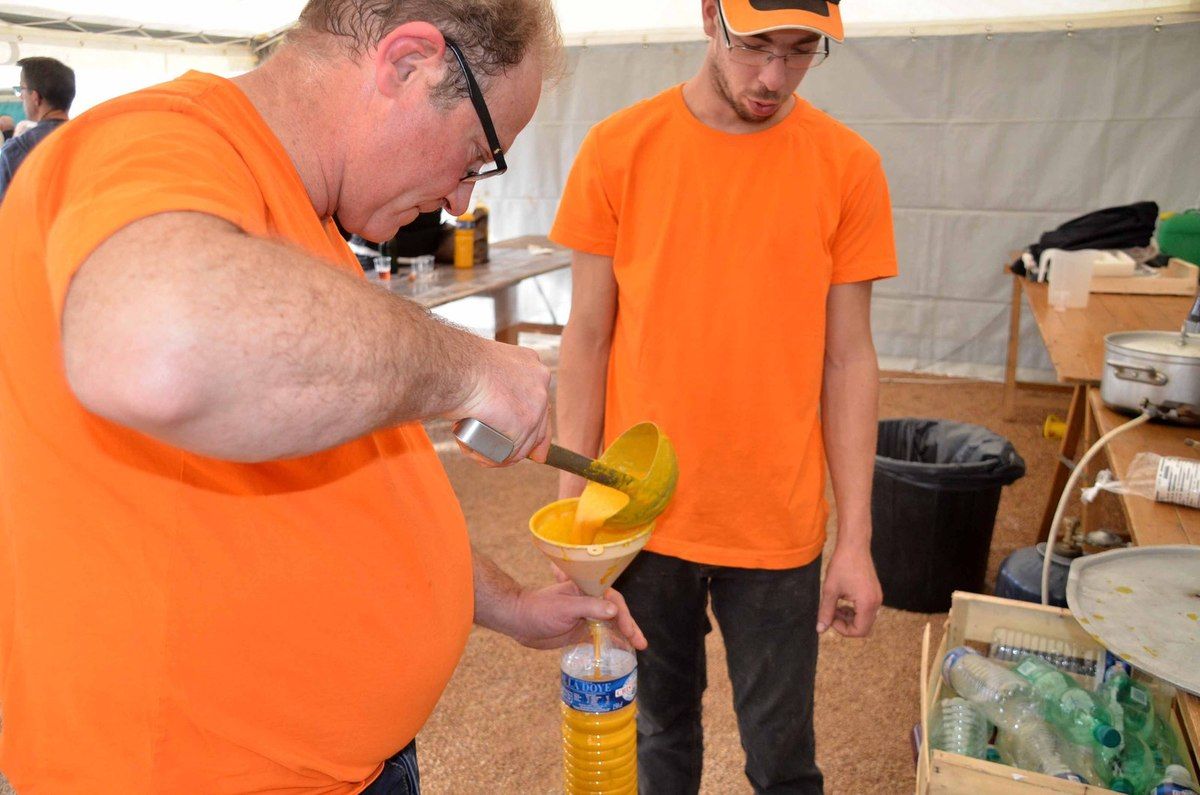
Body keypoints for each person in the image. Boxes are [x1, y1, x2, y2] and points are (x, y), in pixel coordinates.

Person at [0, 1, 645, 793]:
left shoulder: (303, 226)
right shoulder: (152, 139)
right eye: (478, 155)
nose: (459, 203)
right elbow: (158, 343)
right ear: (408, 64)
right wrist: (465, 364)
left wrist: (508, 603)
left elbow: (355, 488)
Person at [550, 0, 897, 791]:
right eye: (755, 47)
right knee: (660, 738)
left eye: (802, 51)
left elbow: (848, 360)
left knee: (782, 759)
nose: (774, 77)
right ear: (709, 15)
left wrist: (856, 539)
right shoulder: (618, 149)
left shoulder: (847, 165)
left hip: (776, 520)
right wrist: (577, 518)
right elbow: (587, 340)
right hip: (642, 513)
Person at [0, 56, 74, 200]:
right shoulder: (92, 138)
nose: (21, 97)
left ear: (36, 97)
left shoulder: (19, 148)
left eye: (21, 89)